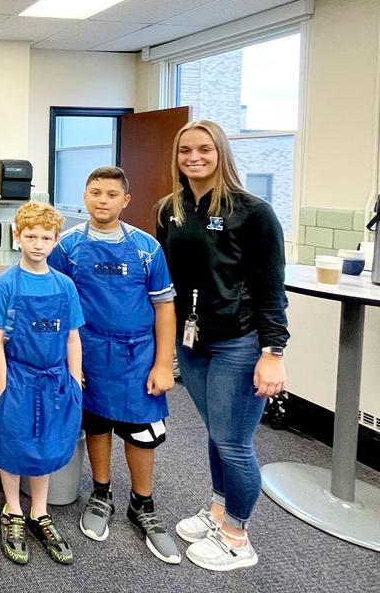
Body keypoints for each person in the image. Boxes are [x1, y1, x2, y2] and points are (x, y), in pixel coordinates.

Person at [156, 119, 288, 572]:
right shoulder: (168, 209)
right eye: (185, 150)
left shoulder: (253, 212)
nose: (193, 158)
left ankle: (237, 536)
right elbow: (162, 283)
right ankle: (218, 511)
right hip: (193, 342)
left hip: (240, 342)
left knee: (233, 442)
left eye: (204, 150)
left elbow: (271, 288)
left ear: (221, 153)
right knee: (217, 433)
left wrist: (273, 353)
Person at [48, 166, 180, 564]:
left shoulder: (146, 248)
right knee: (98, 422)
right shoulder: (67, 247)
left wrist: (162, 363)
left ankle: (143, 503)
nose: (102, 200)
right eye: (95, 192)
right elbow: (54, 302)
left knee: (140, 430)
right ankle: (101, 493)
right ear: (84, 197)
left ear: (125, 201)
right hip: (86, 352)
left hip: (137, 355)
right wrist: (66, 359)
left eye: (111, 194)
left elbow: (165, 307)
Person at [0, 201, 83, 566]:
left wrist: (75, 379)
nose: (38, 244)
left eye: (45, 237)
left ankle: (40, 511)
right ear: (17, 237)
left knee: (45, 444)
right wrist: (4, 384)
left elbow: (72, 337)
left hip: (55, 379)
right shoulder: (7, 283)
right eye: (30, 236)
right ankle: (12, 509)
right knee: (13, 441)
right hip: (19, 377)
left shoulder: (65, 285)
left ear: (56, 241)